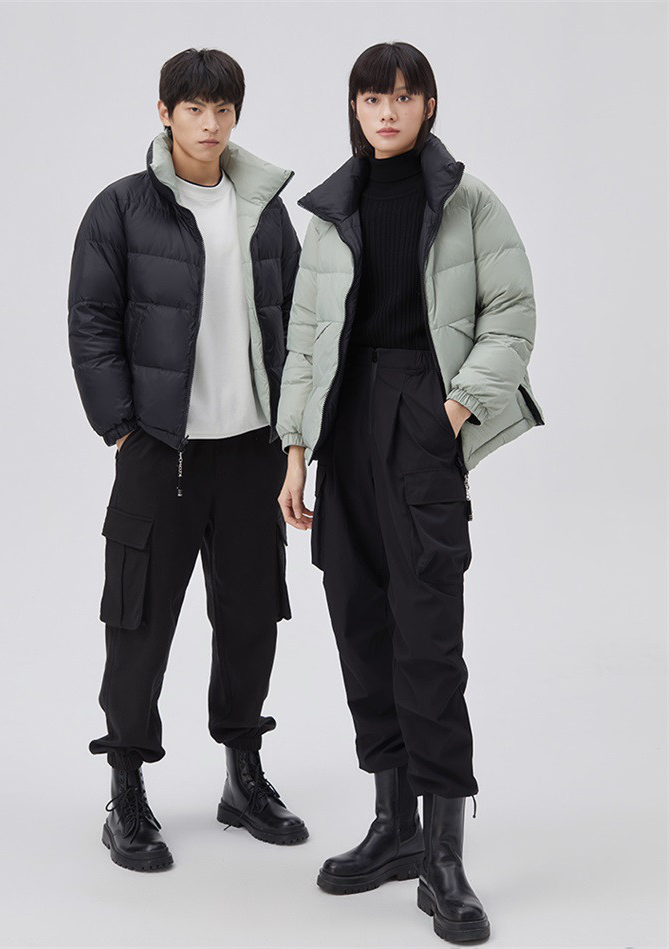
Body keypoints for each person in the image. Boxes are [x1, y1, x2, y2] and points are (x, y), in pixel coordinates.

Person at [276, 41, 544, 943]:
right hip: (345, 424)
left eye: (402, 95)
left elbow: (512, 313)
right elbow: (306, 337)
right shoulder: (331, 211)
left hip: (423, 419)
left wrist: (455, 406)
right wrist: (296, 451)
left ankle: (445, 857)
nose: (386, 111)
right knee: (360, 622)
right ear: (353, 108)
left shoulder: (468, 202)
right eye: (370, 97)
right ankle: (392, 825)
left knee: (428, 634)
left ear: (429, 104)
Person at [67, 47, 308, 872]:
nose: (209, 124)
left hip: (250, 452)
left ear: (236, 115)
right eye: (194, 109)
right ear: (165, 112)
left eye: (223, 110)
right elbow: (91, 320)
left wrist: (292, 433)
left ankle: (244, 775)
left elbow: (297, 321)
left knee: (250, 619)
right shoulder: (121, 209)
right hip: (160, 454)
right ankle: (126, 789)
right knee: (139, 622)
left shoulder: (263, 209)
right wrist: (123, 429)